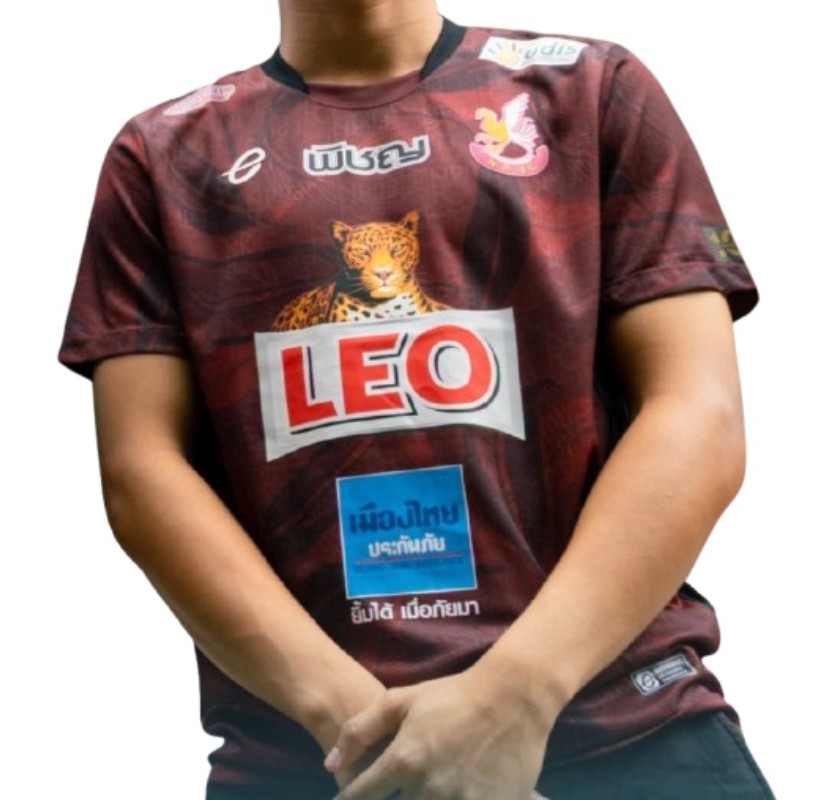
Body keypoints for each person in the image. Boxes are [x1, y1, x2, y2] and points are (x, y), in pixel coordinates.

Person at [58, 1, 776, 797]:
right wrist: (361, 730)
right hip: (310, 758)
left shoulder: (592, 89)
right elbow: (141, 472)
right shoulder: (164, 153)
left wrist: (519, 692)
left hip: (624, 724)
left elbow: (699, 414)